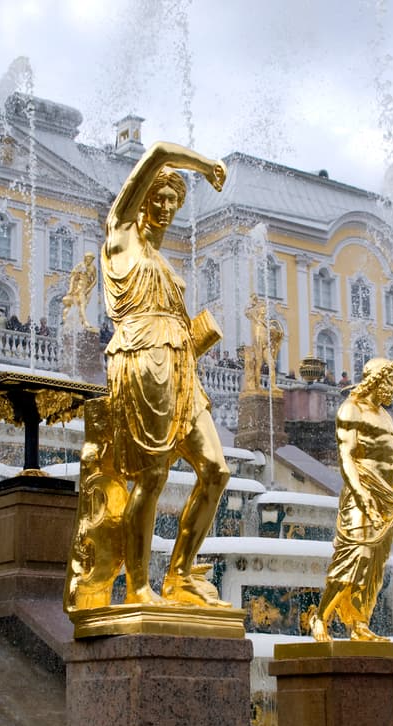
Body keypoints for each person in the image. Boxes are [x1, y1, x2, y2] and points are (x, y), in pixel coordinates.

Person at [98, 140, 228, 607]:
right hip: (141, 360)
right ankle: (138, 587)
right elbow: (154, 154)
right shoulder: (121, 237)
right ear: (142, 200)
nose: (168, 208)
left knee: (215, 470)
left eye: (175, 200)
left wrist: (197, 336)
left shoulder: (164, 261)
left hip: (182, 367)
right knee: (152, 476)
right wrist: (203, 164)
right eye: (161, 197)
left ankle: (180, 575)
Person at [309, 358, 393, 641]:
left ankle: (359, 622)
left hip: (388, 495)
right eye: (391, 381)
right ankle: (321, 617)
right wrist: (362, 496)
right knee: (355, 556)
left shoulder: (385, 415)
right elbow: (347, 458)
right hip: (361, 491)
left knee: (375, 565)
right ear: (376, 380)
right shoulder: (351, 408)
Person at [61, 251, 98, 331]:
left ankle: (79, 323)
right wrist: (71, 288)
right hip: (79, 289)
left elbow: (95, 280)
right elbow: (73, 277)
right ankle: (85, 322)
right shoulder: (81, 266)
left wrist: (89, 288)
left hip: (87, 290)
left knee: (82, 306)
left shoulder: (93, 268)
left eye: (92, 259)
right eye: (89, 258)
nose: (90, 260)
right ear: (86, 258)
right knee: (82, 305)